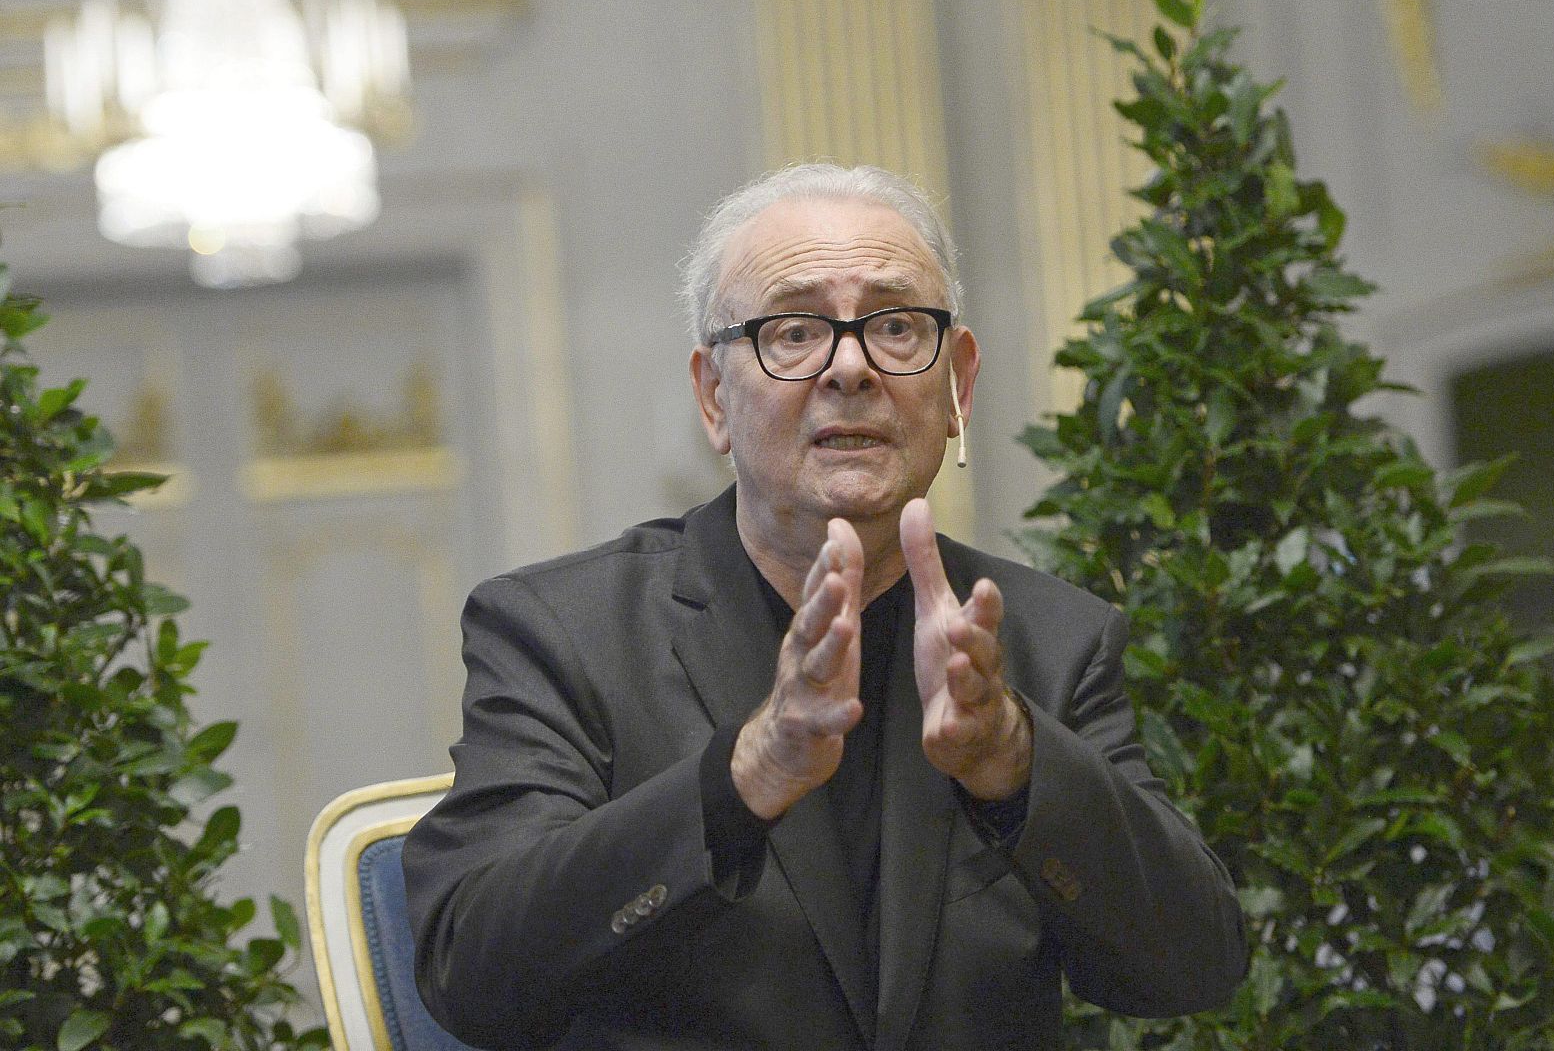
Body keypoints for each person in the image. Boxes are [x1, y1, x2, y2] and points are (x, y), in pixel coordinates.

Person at [403, 164, 1248, 1050]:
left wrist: (1010, 763)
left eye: (893, 325)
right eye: (795, 331)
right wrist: (751, 772)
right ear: (713, 395)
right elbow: (473, 970)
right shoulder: (562, 633)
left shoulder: (1050, 640)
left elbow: (1192, 965)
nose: (851, 366)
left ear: (957, 385)